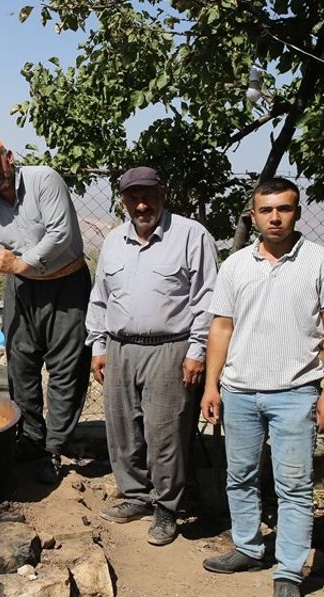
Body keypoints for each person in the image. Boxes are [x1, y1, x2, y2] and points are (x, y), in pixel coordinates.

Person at [199, 177, 324, 597]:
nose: (275, 218)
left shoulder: (323, 263)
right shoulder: (236, 265)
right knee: (240, 475)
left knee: (294, 487)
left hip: (296, 391)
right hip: (240, 390)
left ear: (298, 212)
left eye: (284, 209)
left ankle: (288, 572)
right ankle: (247, 546)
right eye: (266, 211)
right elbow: (221, 327)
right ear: (254, 215)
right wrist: (213, 384)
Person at [87, 167, 220, 546]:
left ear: (163, 193)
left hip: (170, 348)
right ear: (123, 201)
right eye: (133, 197)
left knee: (166, 433)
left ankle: (166, 508)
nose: (141, 204)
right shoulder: (113, 241)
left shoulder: (191, 235)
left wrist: (197, 350)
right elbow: (101, 297)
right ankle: (136, 496)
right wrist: (98, 346)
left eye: (148, 195)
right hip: (120, 347)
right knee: (122, 429)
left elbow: (207, 298)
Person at [0, 136, 91, 481]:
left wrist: (23, 263)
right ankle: (30, 438)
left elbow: (61, 234)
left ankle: (54, 448)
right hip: (22, 289)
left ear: (9, 157)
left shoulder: (45, 180)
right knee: (21, 365)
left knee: (65, 369)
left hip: (66, 284)